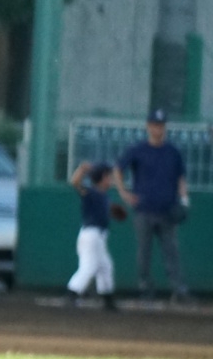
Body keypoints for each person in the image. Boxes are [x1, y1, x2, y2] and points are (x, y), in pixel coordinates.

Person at [116, 108, 192, 303]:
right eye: (155, 125)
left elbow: (180, 178)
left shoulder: (172, 151)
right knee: (144, 254)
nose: (158, 129)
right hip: (144, 210)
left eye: (161, 125)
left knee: (172, 253)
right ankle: (145, 288)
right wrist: (124, 192)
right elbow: (118, 169)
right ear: (149, 126)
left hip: (168, 210)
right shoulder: (138, 150)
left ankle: (179, 290)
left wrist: (184, 200)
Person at [66, 160, 120, 310]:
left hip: (99, 236)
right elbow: (75, 183)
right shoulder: (92, 192)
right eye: (109, 176)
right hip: (91, 235)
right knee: (89, 266)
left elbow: (106, 212)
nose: (112, 179)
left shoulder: (104, 196)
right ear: (103, 177)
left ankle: (107, 299)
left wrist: (112, 212)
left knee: (105, 266)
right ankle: (72, 294)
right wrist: (82, 169)